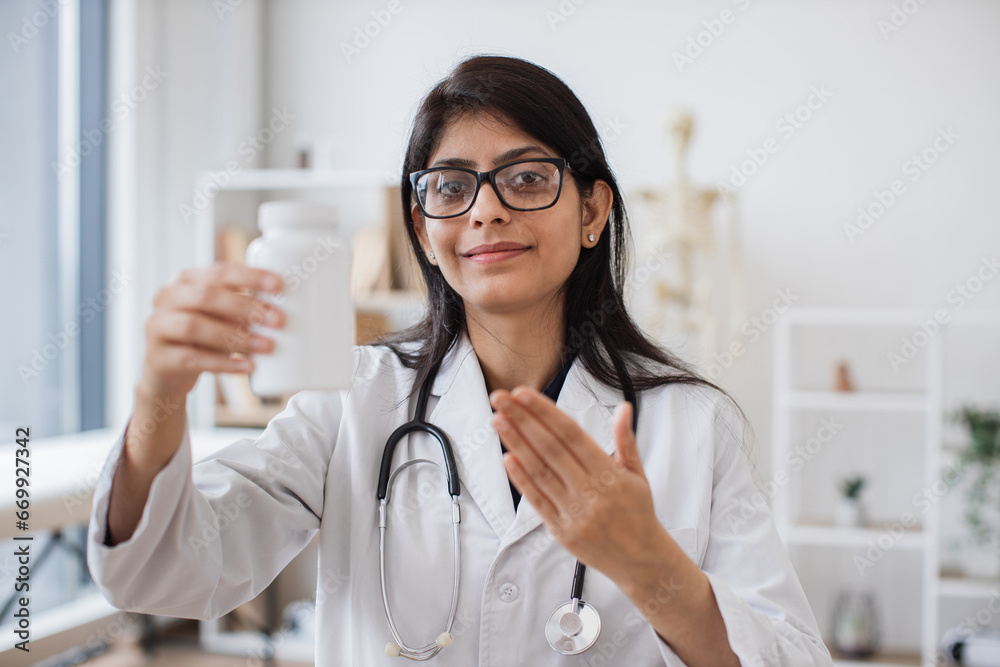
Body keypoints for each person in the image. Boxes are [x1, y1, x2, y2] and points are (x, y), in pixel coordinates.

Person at [87, 55, 832, 666]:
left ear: (593, 210)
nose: (485, 209)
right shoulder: (353, 399)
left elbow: (795, 656)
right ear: (424, 225)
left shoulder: (692, 424)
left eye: (528, 177)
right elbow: (162, 571)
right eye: (451, 186)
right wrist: (160, 394)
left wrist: (651, 568)